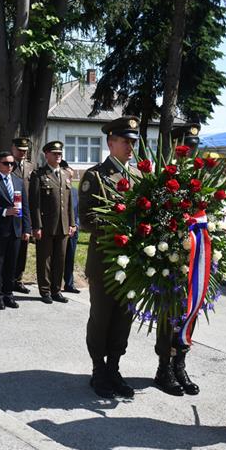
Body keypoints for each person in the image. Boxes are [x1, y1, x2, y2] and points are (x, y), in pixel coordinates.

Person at [78, 116, 139, 399]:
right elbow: (87, 219)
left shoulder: (138, 176)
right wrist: (119, 227)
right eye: (125, 141)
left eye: (133, 141)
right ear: (110, 142)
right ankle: (98, 369)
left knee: (123, 318)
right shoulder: (95, 177)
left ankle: (114, 366)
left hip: (134, 263)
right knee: (101, 317)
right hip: (105, 260)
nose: (130, 146)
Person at [153, 122, 203, 397]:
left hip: (195, 259)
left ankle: (180, 364)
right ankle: (164, 368)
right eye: (185, 147)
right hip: (169, 257)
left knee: (190, 310)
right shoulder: (164, 177)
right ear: (175, 148)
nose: (190, 153)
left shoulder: (201, 179)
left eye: (193, 148)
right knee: (169, 314)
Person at [0, 151, 31, 310]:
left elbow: (25, 207)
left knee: (12, 264)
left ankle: (9, 293)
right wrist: (4, 211)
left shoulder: (18, 181)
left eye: (12, 164)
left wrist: (26, 228)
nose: (10, 166)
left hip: (16, 230)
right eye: (6, 163)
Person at [29, 141, 75, 304]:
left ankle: (57, 290)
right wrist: (37, 226)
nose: (58, 156)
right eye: (54, 153)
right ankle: (45, 290)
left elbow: (69, 202)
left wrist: (72, 223)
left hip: (63, 224)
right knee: (45, 259)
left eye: (60, 153)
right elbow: (35, 203)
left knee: (60, 259)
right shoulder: (38, 175)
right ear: (46, 155)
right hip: (46, 225)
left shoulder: (65, 174)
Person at [11, 137, 35, 294]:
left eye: (25, 151)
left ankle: (18, 280)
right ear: (13, 148)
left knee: (23, 249)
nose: (22, 153)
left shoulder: (31, 167)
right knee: (9, 250)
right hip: (10, 212)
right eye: (20, 150)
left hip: (25, 213)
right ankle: (6, 279)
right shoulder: (7, 164)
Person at [62, 161, 80, 294]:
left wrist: (75, 225)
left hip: (73, 230)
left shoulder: (75, 191)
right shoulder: (58, 190)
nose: (70, 179)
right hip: (60, 229)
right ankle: (53, 285)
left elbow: (78, 211)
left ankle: (69, 283)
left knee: (70, 258)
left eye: (72, 177)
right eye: (68, 176)